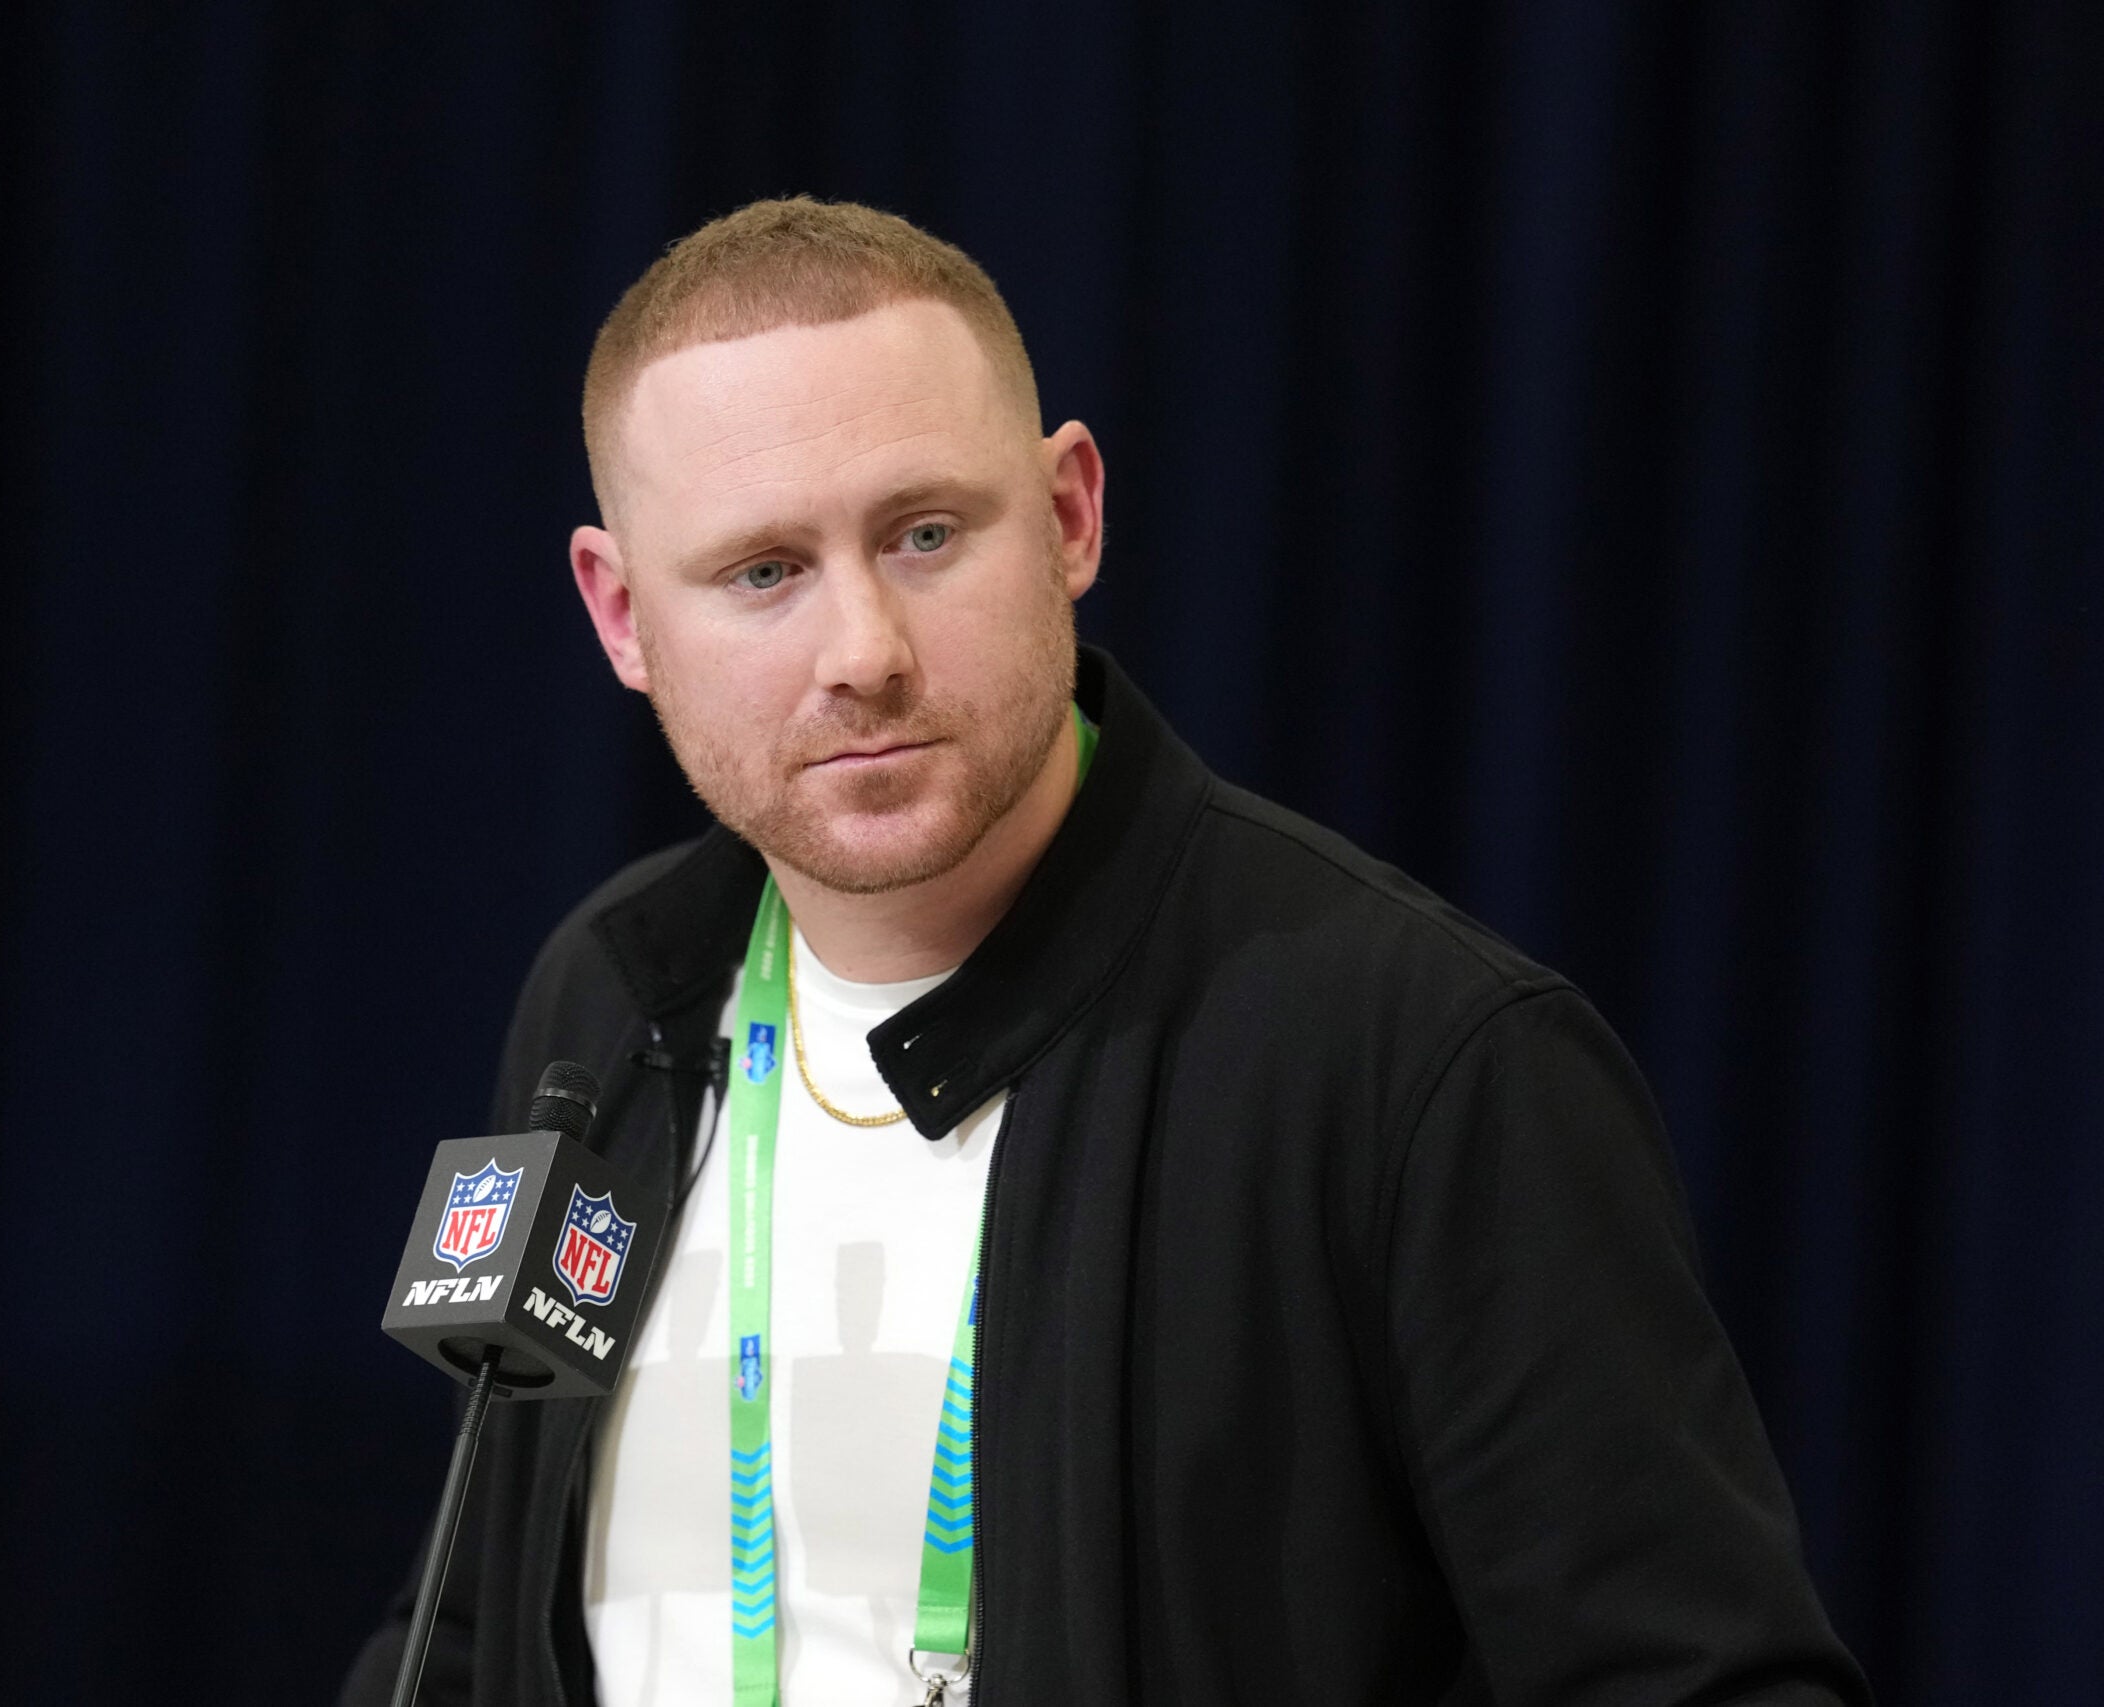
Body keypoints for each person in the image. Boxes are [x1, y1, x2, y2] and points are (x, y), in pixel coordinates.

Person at [342, 198, 1866, 1707]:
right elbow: (472, 1634)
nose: (861, 651)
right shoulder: (606, 996)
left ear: (1070, 514)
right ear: (620, 616)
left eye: (925, 534)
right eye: (762, 574)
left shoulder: (1419, 1059)